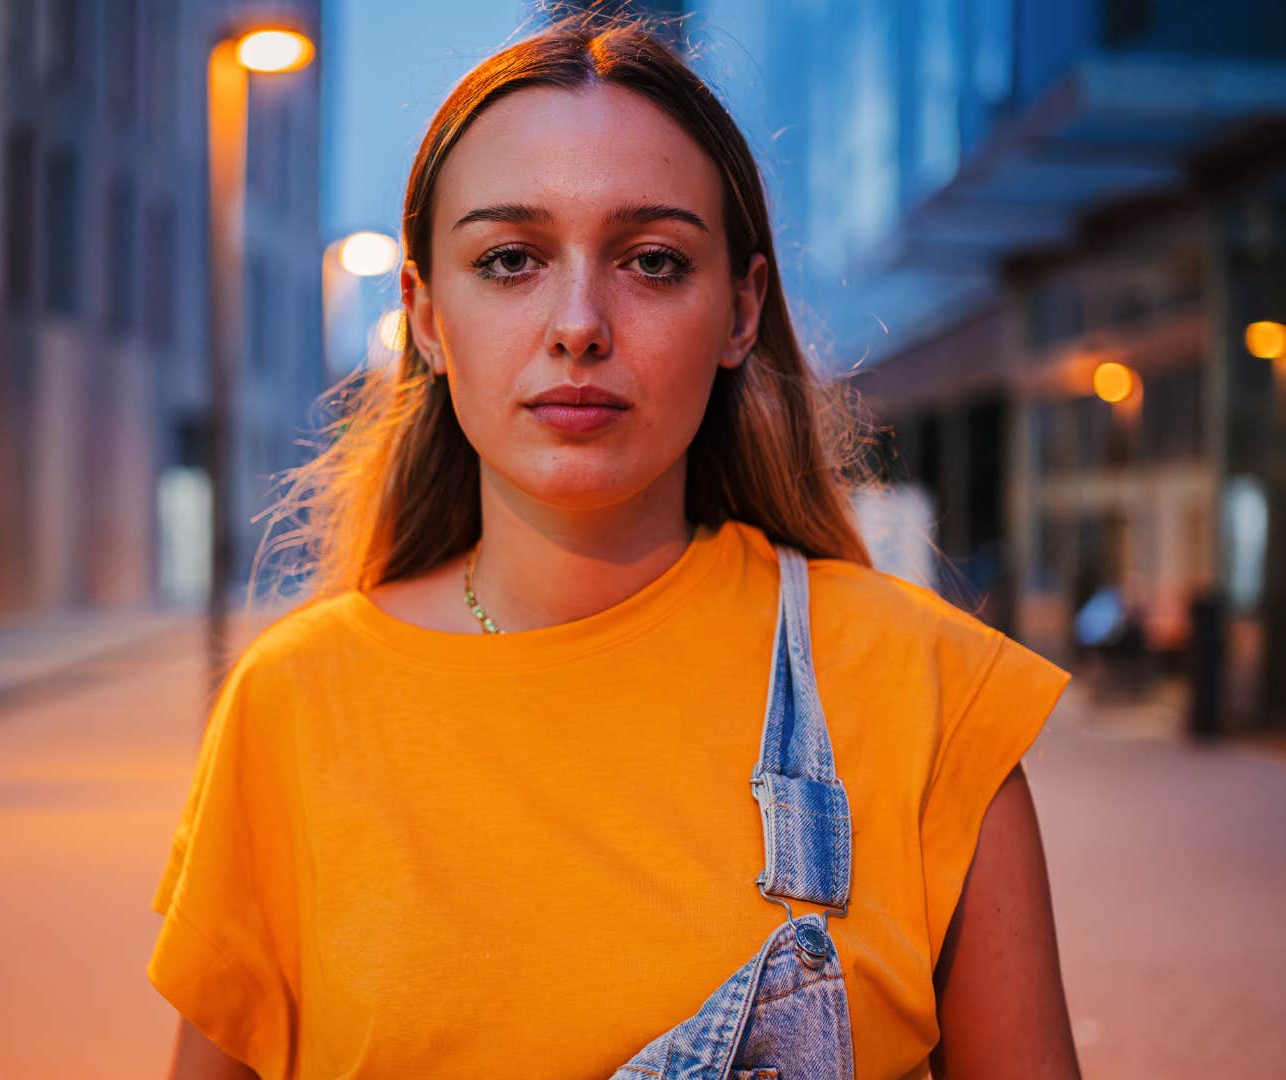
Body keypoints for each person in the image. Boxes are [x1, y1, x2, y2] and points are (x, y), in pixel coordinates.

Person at [151, 17, 1079, 1080]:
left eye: (652, 260)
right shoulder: (292, 706)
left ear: (742, 310)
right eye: (509, 260)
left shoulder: (928, 694)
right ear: (425, 317)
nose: (580, 323)